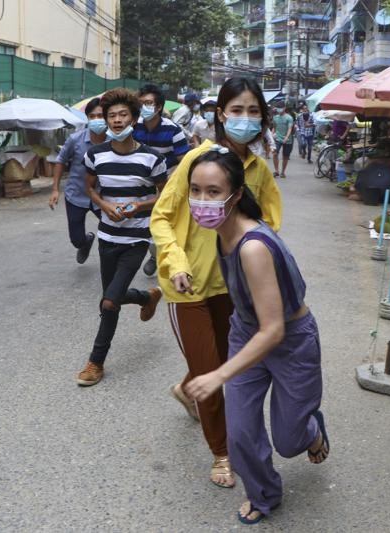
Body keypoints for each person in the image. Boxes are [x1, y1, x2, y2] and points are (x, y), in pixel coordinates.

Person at [183, 147, 328, 524]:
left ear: (235, 194)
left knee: (289, 440)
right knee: (241, 434)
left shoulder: (253, 247)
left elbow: (275, 329)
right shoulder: (221, 232)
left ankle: (312, 430)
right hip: (247, 333)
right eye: (195, 190)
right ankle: (265, 496)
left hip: (290, 342)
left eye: (213, 192)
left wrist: (219, 373)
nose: (202, 200)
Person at [150, 77, 282, 490]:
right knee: (212, 371)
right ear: (220, 114)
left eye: (253, 111)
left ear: (263, 118)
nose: (245, 119)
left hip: (233, 289)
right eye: (237, 110)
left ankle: (187, 388)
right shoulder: (198, 159)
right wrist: (176, 263)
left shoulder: (258, 172)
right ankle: (221, 453)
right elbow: (162, 216)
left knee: (225, 367)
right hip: (187, 287)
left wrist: (260, 269)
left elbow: (270, 225)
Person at [77, 88, 168, 386]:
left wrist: (138, 206)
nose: (116, 120)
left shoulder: (151, 158)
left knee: (108, 303)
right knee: (110, 297)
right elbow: (90, 188)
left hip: (137, 240)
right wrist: (105, 205)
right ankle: (147, 296)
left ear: (133, 117)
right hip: (107, 237)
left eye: (122, 115)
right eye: (111, 115)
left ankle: (95, 362)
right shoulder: (95, 155)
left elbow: (164, 195)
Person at [134, 84, 190, 277]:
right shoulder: (133, 126)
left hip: (167, 181)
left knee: (162, 221)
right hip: (142, 181)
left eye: (148, 103)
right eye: (140, 103)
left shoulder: (173, 130)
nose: (144, 107)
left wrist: (172, 185)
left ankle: (155, 254)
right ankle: (152, 251)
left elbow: (185, 162)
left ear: (158, 107)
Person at [48, 97, 106, 264]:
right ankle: (85, 242)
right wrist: (55, 189)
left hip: (102, 198)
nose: (97, 119)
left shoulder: (114, 141)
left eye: (101, 115)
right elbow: (60, 161)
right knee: (76, 239)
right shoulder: (75, 139)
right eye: (93, 116)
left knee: (113, 230)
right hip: (76, 195)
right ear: (87, 118)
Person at [271, 106, 294, 178]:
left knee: (285, 156)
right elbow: (274, 127)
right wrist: (271, 135)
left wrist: (286, 137)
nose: (279, 109)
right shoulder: (275, 117)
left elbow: (290, 128)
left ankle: (283, 172)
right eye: (278, 108)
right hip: (277, 138)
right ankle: (276, 171)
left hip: (287, 139)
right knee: (275, 153)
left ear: (284, 108)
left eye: (280, 107)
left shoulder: (289, 118)